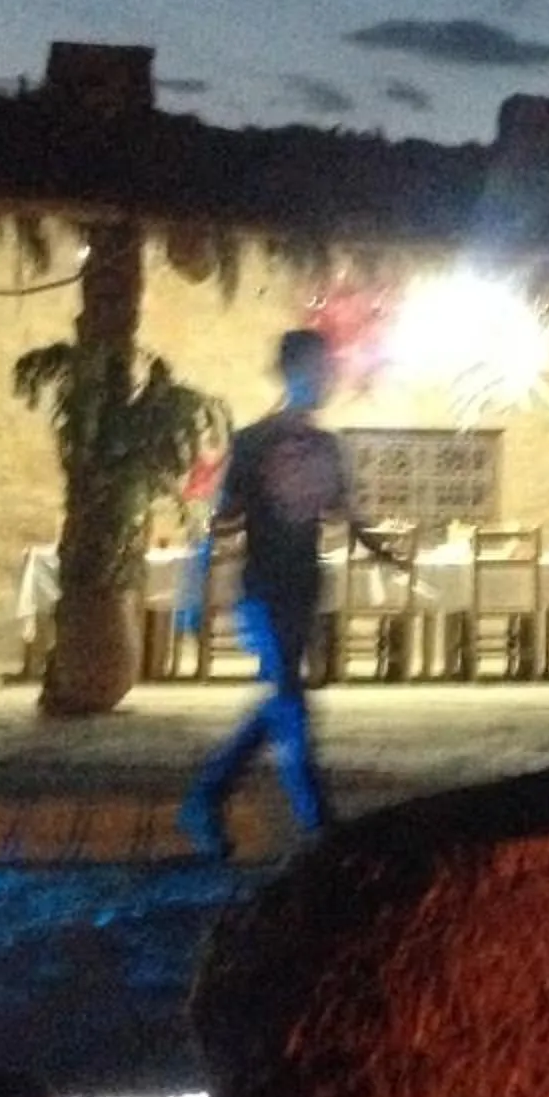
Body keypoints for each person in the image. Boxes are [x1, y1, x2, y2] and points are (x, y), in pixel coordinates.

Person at [180, 329, 353, 859]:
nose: (328, 378)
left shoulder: (328, 447)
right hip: (262, 589)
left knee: (282, 702)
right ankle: (319, 824)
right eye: (318, 368)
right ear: (293, 373)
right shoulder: (254, 443)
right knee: (289, 701)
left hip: (303, 587)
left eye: (330, 368)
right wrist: (193, 590)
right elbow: (220, 522)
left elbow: (339, 512)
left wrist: (377, 540)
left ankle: (206, 797)